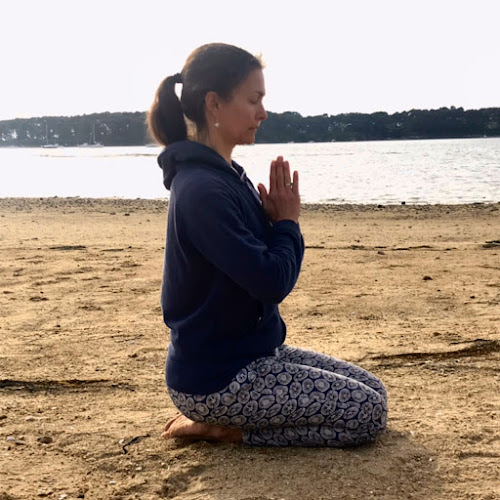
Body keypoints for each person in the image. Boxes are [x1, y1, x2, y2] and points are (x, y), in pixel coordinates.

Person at [148, 43, 387, 447]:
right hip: (218, 379)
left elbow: (254, 265)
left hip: (254, 354)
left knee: (374, 391)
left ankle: (230, 423)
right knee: (368, 415)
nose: (263, 112)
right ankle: (229, 430)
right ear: (214, 104)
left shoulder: (224, 175)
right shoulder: (202, 189)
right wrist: (288, 223)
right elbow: (270, 281)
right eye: (253, 99)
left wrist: (274, 220)